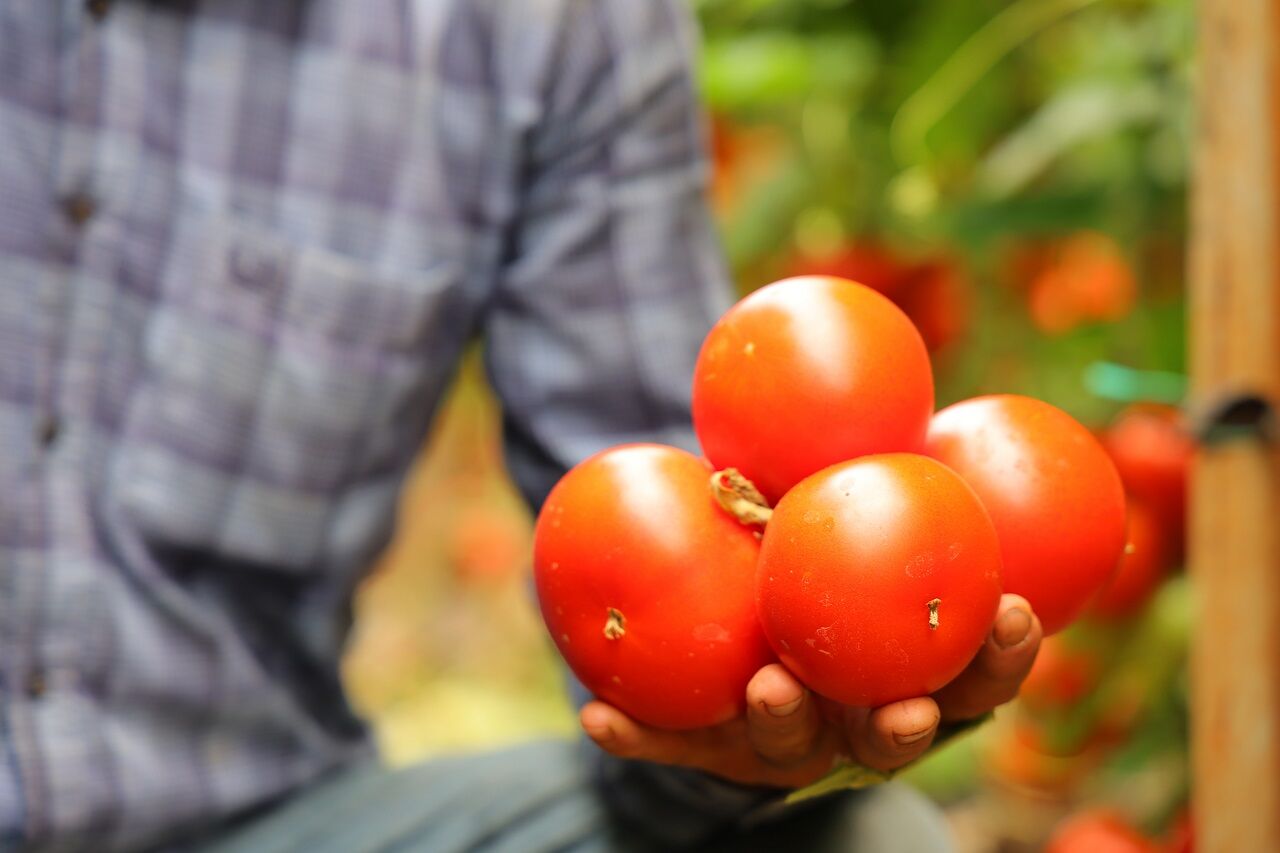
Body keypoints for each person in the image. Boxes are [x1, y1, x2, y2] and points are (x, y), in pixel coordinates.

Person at [0, 1, 1042, 850]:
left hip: (264, 822)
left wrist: (739, 739)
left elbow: (677, 530)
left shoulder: (554, 25)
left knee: (861, 839)